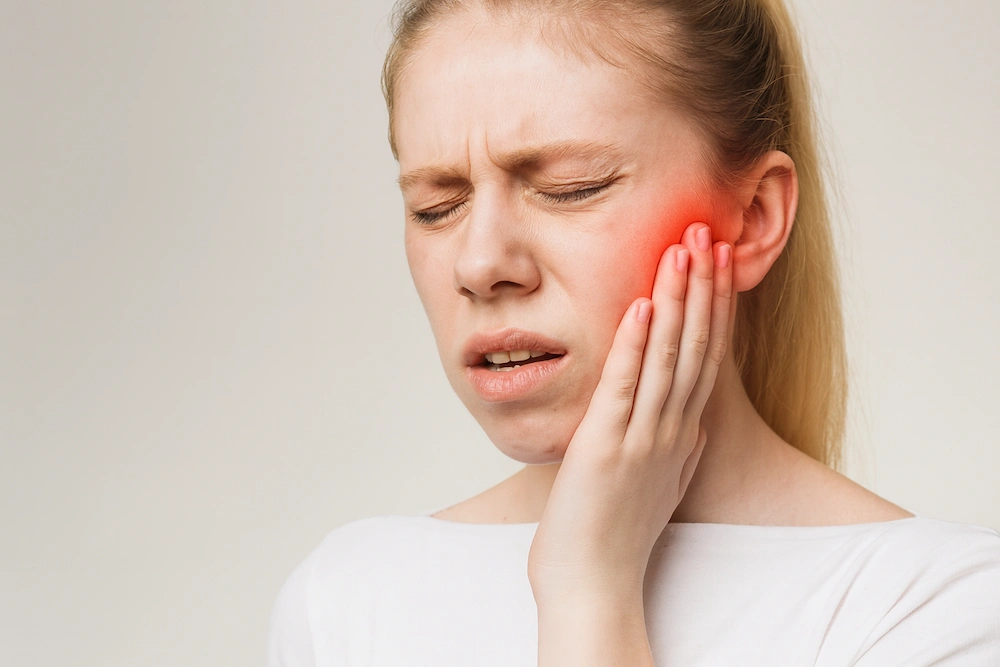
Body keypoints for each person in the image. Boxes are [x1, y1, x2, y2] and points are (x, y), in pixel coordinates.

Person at [268, 0, 1000, 664]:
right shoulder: (347, 604)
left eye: (571, 188)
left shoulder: (939, 608)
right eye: (436, 207)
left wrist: (590, 590)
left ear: (753, 219)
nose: (480, 263)